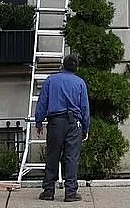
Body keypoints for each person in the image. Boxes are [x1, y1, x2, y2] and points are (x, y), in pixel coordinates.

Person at [34, 55, 90, 202]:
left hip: (55, 122)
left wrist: (38, 122)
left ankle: (48, 191)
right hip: (74, 123)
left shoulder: (51, 80)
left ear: (62, 65)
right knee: (71, 157)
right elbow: (84, 107)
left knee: (52, 155)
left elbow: (42, 103)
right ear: (76, 67)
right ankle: (70, 192)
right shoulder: (80, 83)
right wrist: (85, 127)